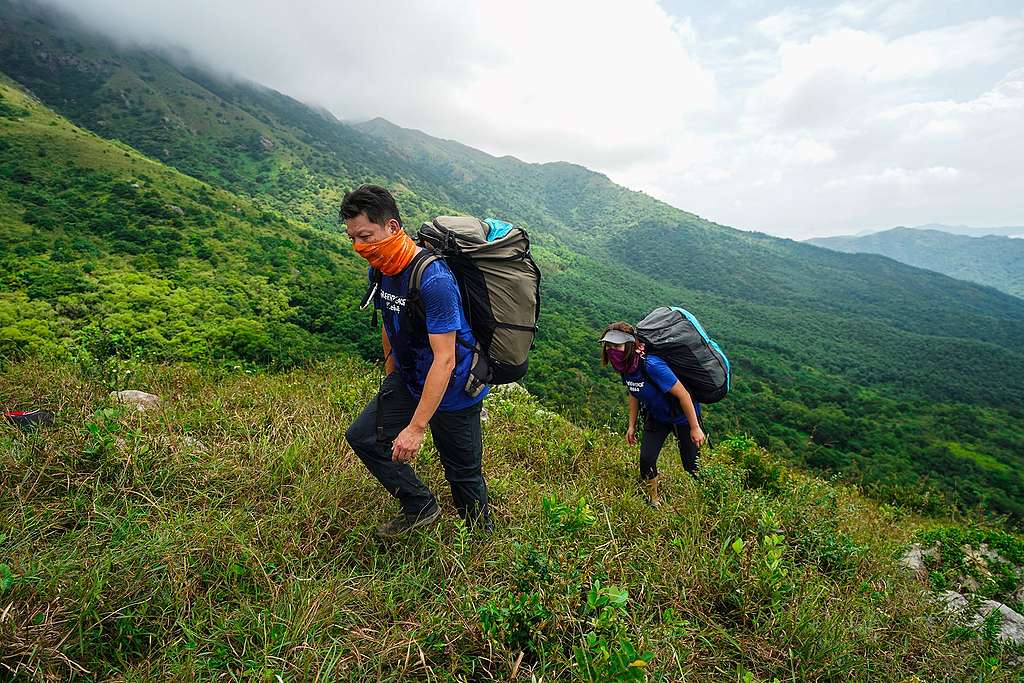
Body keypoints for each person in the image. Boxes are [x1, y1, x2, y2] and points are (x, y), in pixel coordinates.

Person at [341, 185, 491, 536]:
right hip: (410, 378)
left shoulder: (433, 278)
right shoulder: (380, 268)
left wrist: (416, 427)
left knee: (462, 471)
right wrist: (391, 374)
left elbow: (446, 360)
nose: (360, 247)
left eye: (365, 236)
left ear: (392, 227)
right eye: (353, 238)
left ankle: (481, 540)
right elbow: (388, 321)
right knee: (364, 437)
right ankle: (420, 504)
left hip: (453, 390)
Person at [599, 322, 706, 506]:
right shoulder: (626, 367)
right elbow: (634, 393)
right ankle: (654, 500)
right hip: (656, 416)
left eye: (617, 346)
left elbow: (684, 395)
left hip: (683, 418)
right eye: (608, 345)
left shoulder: (652, 365)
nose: (612, 350)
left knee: (692, 466)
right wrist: (631, 425)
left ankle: (709, 497)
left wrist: (695, 427)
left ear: (630, 345)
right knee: (646, 460)